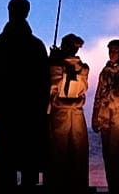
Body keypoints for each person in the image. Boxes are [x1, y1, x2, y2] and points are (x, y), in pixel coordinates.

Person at [0, 0, 49, 190]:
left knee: (10, 165)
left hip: (9, 112)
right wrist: (41, 109)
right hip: (27, 112)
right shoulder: (35, 45)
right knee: (22, 165)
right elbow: (44, 82)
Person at [44, 34, 89, 193]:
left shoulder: (55, 67)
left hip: (59, 114)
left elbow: (49, 88)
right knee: (78, 151)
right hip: (77, 113)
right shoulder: (84, 68)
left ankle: (58, 186)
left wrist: (51, 59)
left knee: (58, 151)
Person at [91, 38, 119, 194]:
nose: (112, 54)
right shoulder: (105, 71)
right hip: (104, 118)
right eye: (110, 51)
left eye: (115, 51)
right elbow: (99, 94)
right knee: (108, 157)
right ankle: (113, 187)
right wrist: (95, 116)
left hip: (118, 117)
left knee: (118, 156)